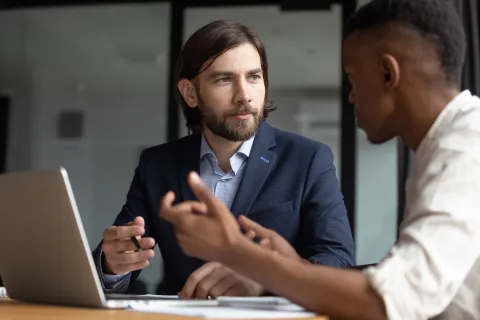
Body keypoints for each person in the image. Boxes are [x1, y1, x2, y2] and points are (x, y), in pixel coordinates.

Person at [160, 0, 480, 319]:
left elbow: (386, 301)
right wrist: (294, 267)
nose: (351, 96)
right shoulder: (446, 144)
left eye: (353, 79)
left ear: (387, 74)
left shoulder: (464, 152)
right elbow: (405, 280)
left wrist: (238, 253)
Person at [92, 20, 354, 298]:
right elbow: (119, 255)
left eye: (254, 77)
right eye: (224, 79)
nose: (244, 95)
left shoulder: (308, 159)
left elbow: (339, 262)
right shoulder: (157, 165)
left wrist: (268, 278)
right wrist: (112, 264)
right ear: (190, 93)